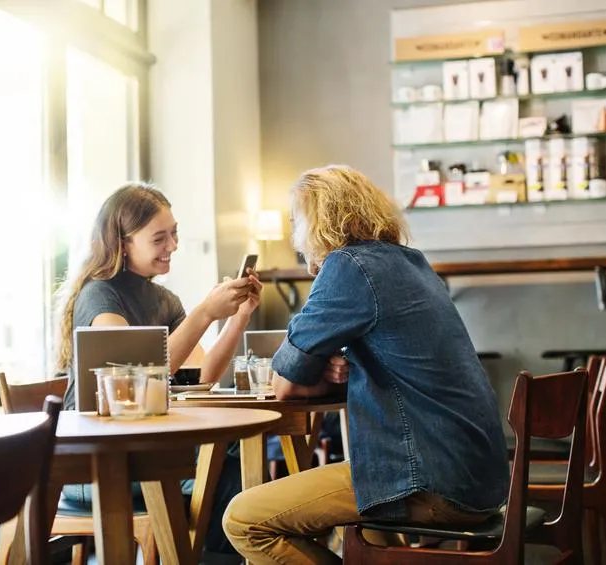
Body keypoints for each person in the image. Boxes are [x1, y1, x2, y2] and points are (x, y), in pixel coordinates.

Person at [223, 165, 509, 565]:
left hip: (427, 481)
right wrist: (331, 367)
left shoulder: (349, 267)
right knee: (360, 519)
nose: (294, 234)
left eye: (296, 220)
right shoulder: (410, 263)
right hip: (479, 479)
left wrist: (314, 367)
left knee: (243, 519)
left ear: (317, 220)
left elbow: (285, 383)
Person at [55, 182, 261, 563]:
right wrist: (204, 313)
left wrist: (237, 320)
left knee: (229, 465)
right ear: (123, 243)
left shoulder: (164, 300)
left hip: (143, 450)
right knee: (223, 473)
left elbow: (201, 377)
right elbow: (133, 379)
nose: (173, 245)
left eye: (175, 233)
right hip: (95, 462)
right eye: (160, 237)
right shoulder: (100, 295)